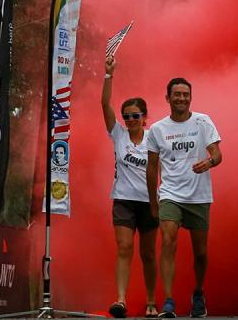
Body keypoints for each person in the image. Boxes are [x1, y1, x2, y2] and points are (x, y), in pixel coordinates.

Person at [146, 78, 222, 318]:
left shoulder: (203, 121)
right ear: (168, 98)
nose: (181, 98)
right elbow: (151, 167)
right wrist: (153, 202)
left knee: (200, 252)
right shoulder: (158, 129)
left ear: (190, 97)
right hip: (170, 194)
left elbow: (218, 154)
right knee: (168, 241)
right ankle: (168, 301)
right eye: (176, 94)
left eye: (185, 94)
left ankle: (198, 293)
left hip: (199, 195)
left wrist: (208, 162)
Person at [101, 56, 158, 318]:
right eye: (127, 117)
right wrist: (109, 74)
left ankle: (150, 301)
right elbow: (104, 104)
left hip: (149, 202)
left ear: (145, 118)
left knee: (147, 254)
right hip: (123, 200)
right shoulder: (119, 134)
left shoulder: (154, 138)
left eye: (136, 116)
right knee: (124, 248)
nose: (131, 120)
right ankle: (121, 299)